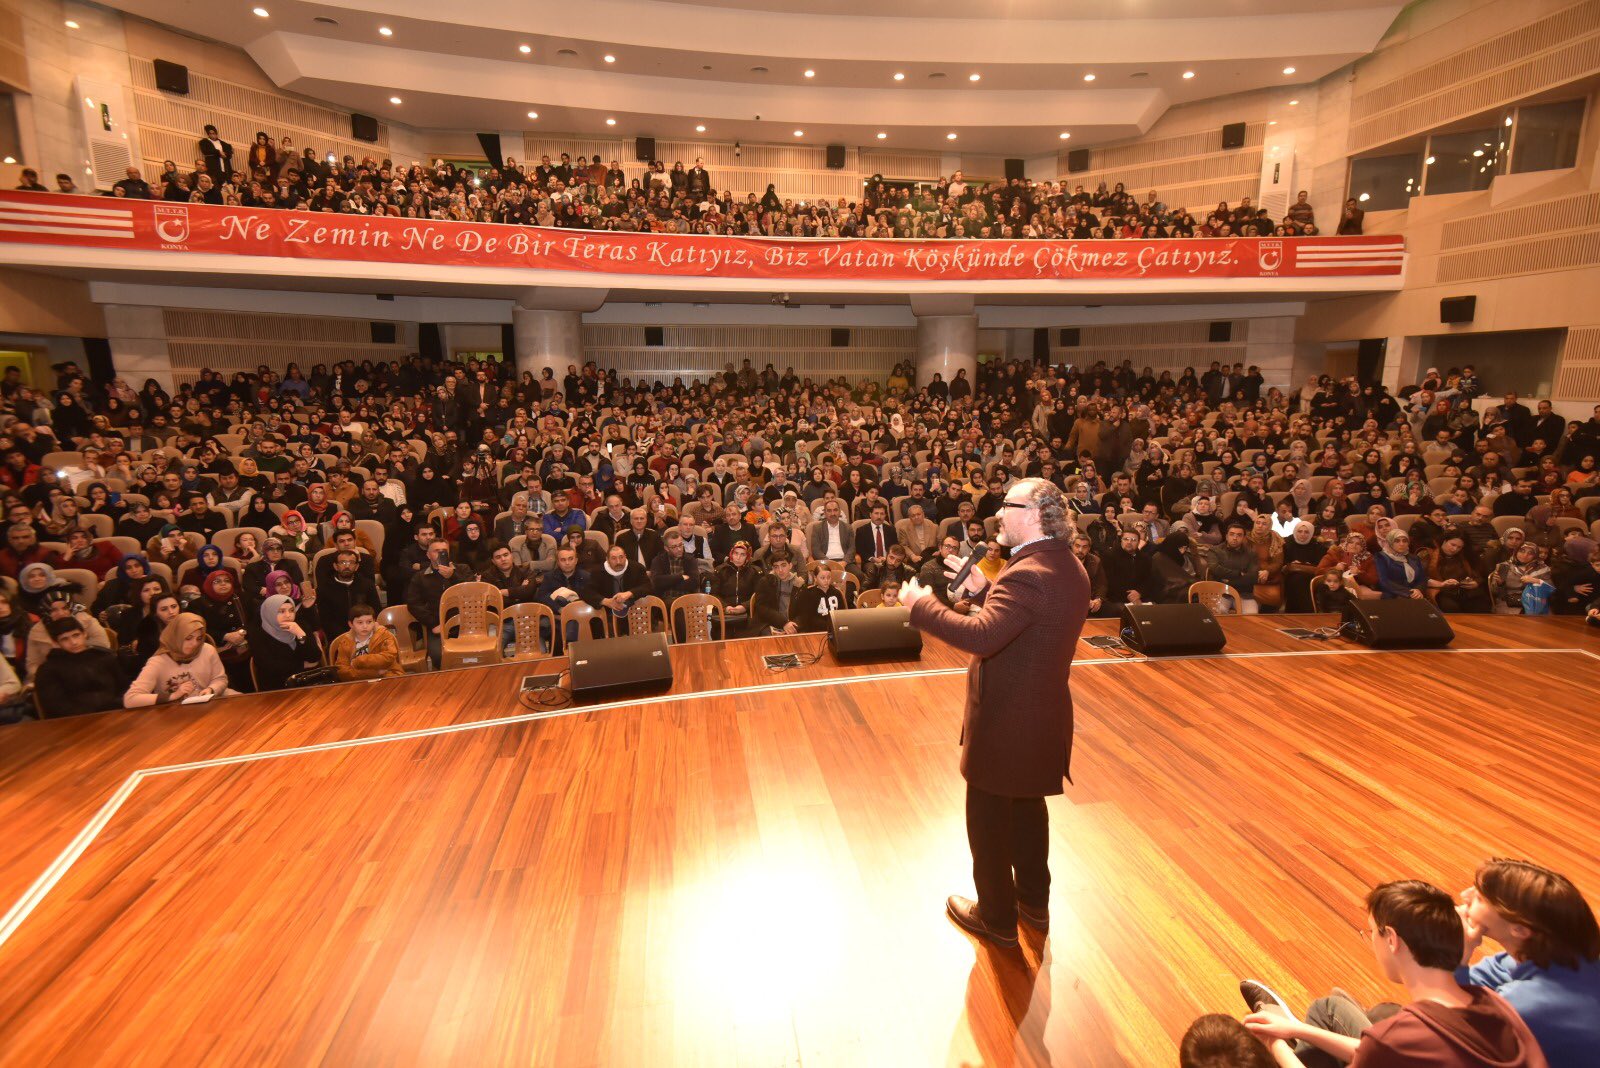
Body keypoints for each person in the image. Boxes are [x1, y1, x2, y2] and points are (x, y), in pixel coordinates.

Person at [899, 477, 1090, 948]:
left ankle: (997, 918)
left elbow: (984, 637)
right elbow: (1028, 621)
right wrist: (988, 591)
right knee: (1027, 813)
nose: (998, 513)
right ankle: (1034, 904)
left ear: (1036, 514)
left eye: (1008, 505)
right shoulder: (1063, 564)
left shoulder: (1028, 573)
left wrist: (922, 606)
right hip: (1040, 716)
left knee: (986, 823)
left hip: (1007, 721)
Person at [1240, 880, 1549, 1068]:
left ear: (1391, 939)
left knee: (1329, 1012)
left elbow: (1386, 1048)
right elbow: (1380, 1050)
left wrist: (1274, 1045)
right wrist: (1296, 1030)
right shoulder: (1496, 1004)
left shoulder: (1397, 1038)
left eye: (1371, 933)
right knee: (1340, 1012)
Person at [1455, 858, 1600, 1067]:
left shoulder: (1524, 1004)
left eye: (1479, 897)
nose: (1464, 895)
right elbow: (1487, 976)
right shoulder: (1567, 953)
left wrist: (1456, 957)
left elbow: (1451, 1027)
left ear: (1520, 930)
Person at [124, 612, 231, 706]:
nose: (194, 643)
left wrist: (211, 689)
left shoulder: (207, 650)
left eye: (199, 638)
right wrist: (173, 696)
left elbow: (220, 679)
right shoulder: (158, 662)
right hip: (175, 712)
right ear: (176, 636)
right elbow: (131, 699)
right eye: (188, 638)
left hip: (211, 704)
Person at [34, 615, 127, 717]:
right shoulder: (48, 670)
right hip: (76, 720)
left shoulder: (104, 657)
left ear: (84, 634)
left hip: (115, 713)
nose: (73, 642)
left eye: (76, 635)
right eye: (65, 639)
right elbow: (55, 706)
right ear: (56, 643)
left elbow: (124, 688)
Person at [250, 593, 320, 690]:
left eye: (291, 610)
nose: (288, 615)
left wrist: (300, 634)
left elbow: (315, 657)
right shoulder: (258, 634)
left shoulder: (300, 626)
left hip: (306, 681)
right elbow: (269, 666)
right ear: (270, 612)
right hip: (277, 687)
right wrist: (302, 665)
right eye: (281, 611)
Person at [328, 603, 403, 681]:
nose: (365, 626)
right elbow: (342, 671)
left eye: (369, 622)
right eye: (360, 622)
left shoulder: (384, 635)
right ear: (351, 624)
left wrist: (359, 661)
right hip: (358, 680)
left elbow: (389, 657)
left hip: (387, 677)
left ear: (374, 621)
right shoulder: (345, 642)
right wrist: (374, 673)